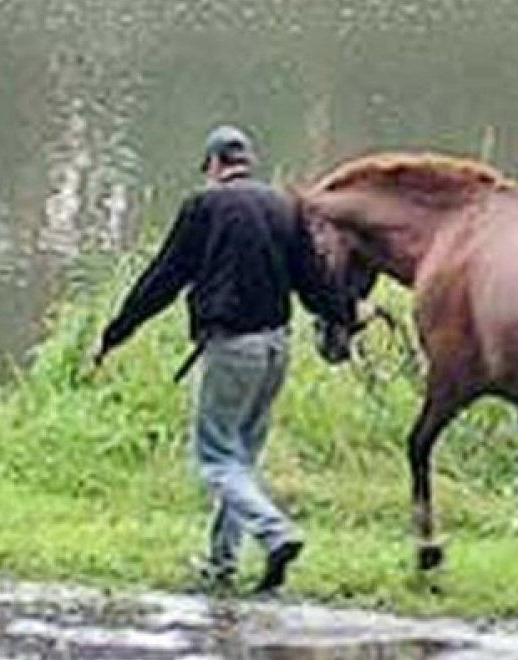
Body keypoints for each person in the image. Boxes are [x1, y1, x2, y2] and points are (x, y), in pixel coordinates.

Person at [91, 125, 351, 593]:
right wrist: (345, 316)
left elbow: (163, 278)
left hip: (231, 348)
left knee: (214, 460)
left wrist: (117, 332)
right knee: (240, 461)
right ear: (246, 162)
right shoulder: (284, 207)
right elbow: (314, 283)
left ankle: (274, 532)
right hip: (276, 349)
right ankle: (221, 563)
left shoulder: (204, 206)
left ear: (213, 164)